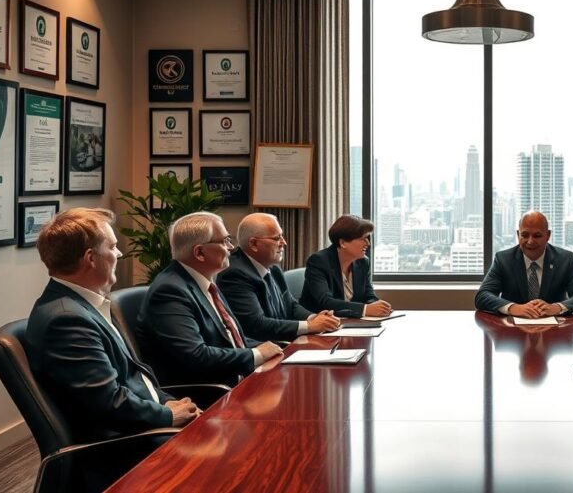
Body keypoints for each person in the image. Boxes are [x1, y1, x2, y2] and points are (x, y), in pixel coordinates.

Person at [25, 209, 200, 491]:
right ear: (91, 258)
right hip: (124, 446)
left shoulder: (82, 305)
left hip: (144, 425)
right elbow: (109, 403)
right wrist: (168, 415)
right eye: (113, 246)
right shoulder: (66, 319)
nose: (119, 255)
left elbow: (133, 377)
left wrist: (168, 403)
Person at [137, 212, 282, 387]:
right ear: (199, 252)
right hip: (208, 393)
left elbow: (230, 340)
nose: (231, 248)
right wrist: (256, 354)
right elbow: (196, 355)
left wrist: (272, 348)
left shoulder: (205, 281)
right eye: (224, 241)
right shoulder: (169, 291)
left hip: (238, 379)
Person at [217, 213, 340, 342]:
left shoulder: (273, 268)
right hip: (263, 349)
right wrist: (309, 326)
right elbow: (256, 325)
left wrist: (313, 318)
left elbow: (290, 305)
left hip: (283, 343)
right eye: (277, 238)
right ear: (253, 243)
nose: (284, 243)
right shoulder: (234, 274)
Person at [475, 211, 573, 318]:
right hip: (512, 333)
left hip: (555, 333)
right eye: (525, 235)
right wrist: (513, 308)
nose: (530, 241)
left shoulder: (565, 260)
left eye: (537, 236)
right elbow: (482, 296)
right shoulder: (503, 259)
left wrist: (557, 307)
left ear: (548, 236)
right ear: (518, 235)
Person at [300, 214, 393, 318]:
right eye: (363, 238)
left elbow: (369, 295)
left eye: (368, 238)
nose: (368, 243)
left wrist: (378, 306)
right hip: (320, 323)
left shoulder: (363, 262)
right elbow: (325, 302)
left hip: (351, 323)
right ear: (343, 243)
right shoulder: (318, 261)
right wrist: (365, 309)